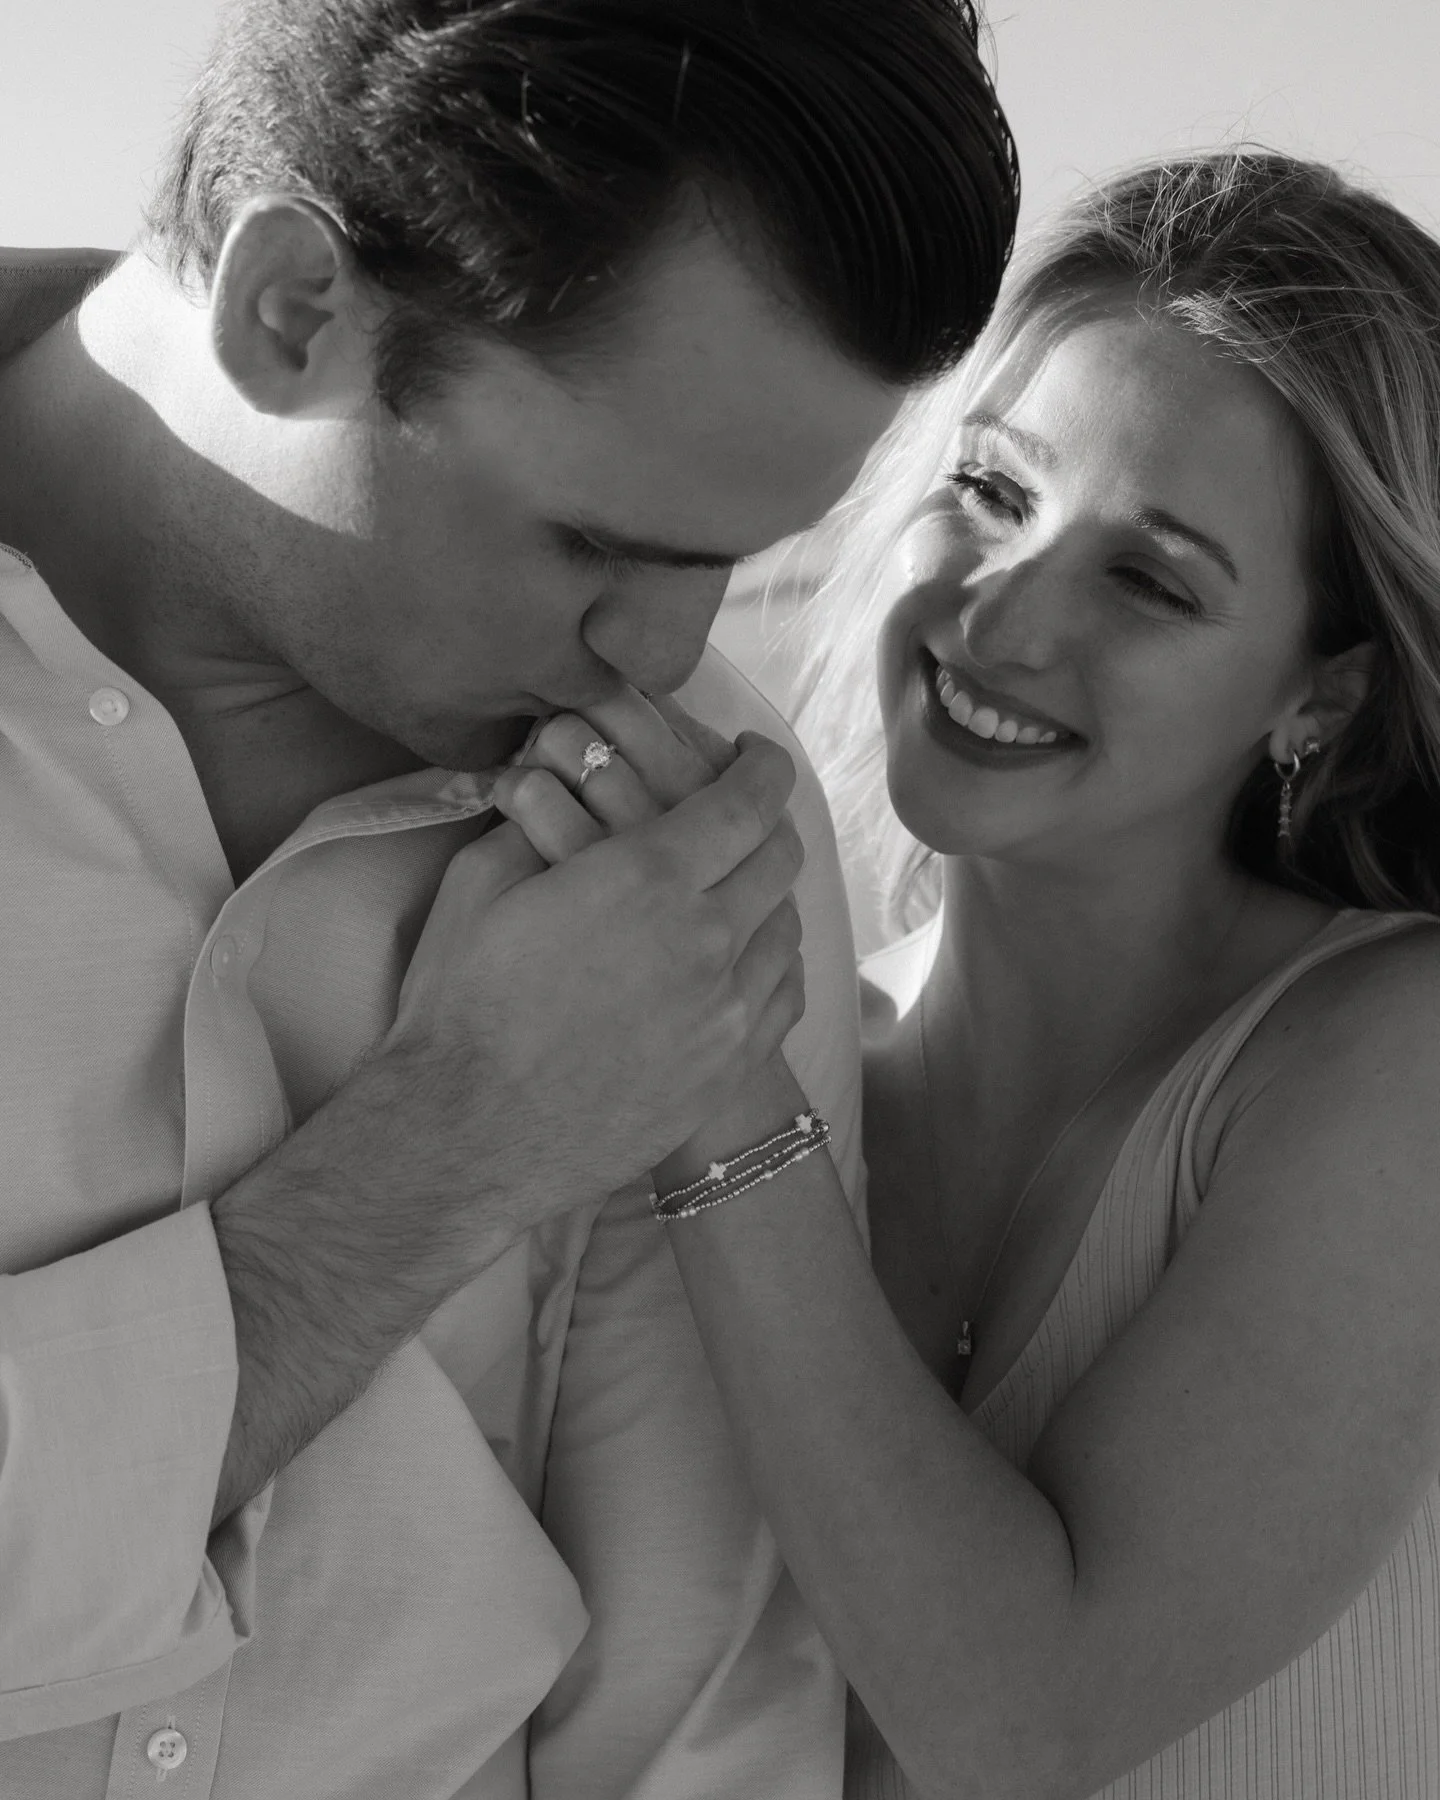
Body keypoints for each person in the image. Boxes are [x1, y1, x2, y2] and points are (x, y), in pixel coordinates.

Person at [0, 3, 1020, 1795]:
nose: (672, 656)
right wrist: (445, 1155)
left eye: (735, 567)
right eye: (605, 549)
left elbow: (701, 1708)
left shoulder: (678, 797)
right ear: (293, 310)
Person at [498, 149, 1440, 1798]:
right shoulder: (814, 1042)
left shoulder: (1390, 1052)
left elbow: (1022, 1722)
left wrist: (723, 1099)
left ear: (1327, 699)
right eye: (995, 493)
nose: (997, 620)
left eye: (1149, 580)